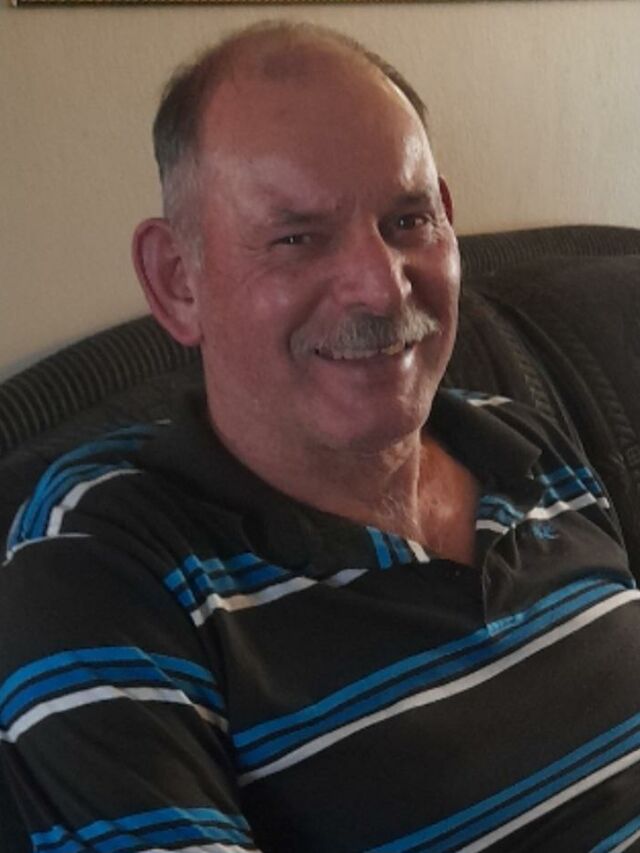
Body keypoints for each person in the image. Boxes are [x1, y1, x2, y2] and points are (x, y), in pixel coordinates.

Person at [1, 21, 639, 853]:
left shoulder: (523, 440)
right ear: (177, 280)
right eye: (297, 237)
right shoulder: (99, 558)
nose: (381, 286)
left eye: (407, 220)